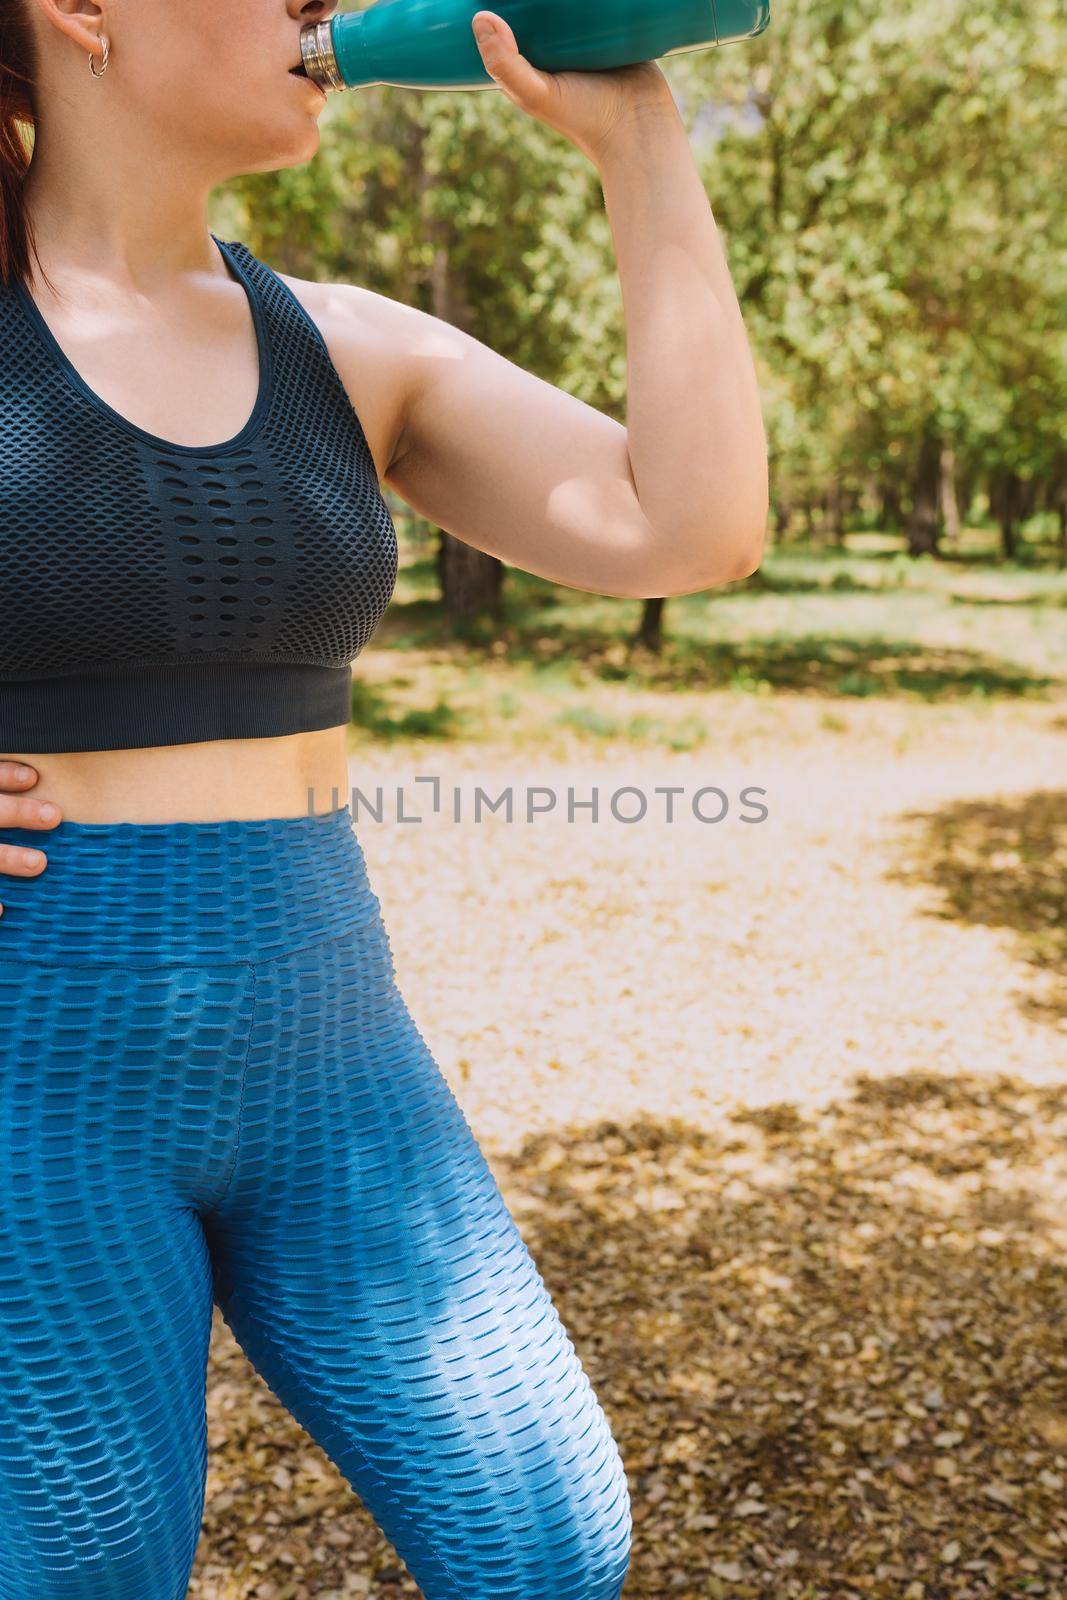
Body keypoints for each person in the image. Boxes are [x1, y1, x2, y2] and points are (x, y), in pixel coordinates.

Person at [0, 1, 768, 1595]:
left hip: (331, 1048)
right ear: (82, 11)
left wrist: (639, 142)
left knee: (546, 1549)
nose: (315, 6)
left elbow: (689, 526)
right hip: (33, 1077)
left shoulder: (351, 349)